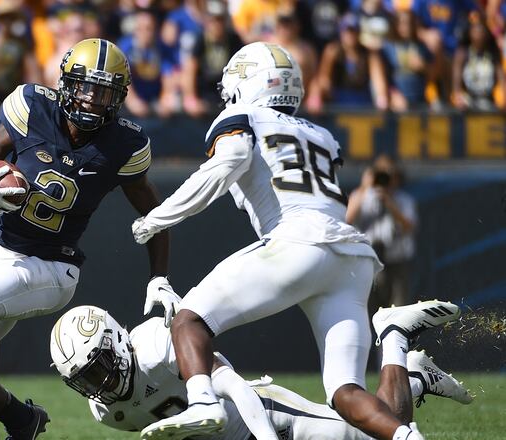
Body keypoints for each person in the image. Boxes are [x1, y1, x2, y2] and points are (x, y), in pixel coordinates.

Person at [130, 41, 460, 440]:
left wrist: (157, 218)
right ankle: (393, 342)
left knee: (190, 319)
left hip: (299, 243)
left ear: (249, 84)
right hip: (352, 259)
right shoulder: (321, 134)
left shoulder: (243, 115)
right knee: (345, 395)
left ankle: (202, 401)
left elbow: (226, 165)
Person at [0, 38, 179, 440]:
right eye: (86, 87)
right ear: (66, 83)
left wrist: (159, 277)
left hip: (53, 267)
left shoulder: (124, 144)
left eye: (105, 92)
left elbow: (155, 214)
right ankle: (22, 420)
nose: (94, 100)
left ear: (119, 98)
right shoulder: (31, 108)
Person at [49, 305, 473, 439]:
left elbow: (233, 386)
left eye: (100, 367)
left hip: (268, 418)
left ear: (118, 342)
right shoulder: (104, 411)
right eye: (85, 379)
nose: (99, 384)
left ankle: (394, 336)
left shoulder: (160, 346)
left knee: (387, 430)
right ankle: (415, 376)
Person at [347, 154, 418, 315]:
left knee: (399, 313)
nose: (384, 177)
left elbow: (409, 228)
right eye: (379, 172)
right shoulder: (361, 197)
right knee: (367, 313)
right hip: (367, 262)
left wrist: (390, 204)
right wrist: (365, 187)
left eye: (388, 173)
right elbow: (346, 221)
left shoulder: (403, 200)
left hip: (397, 263)